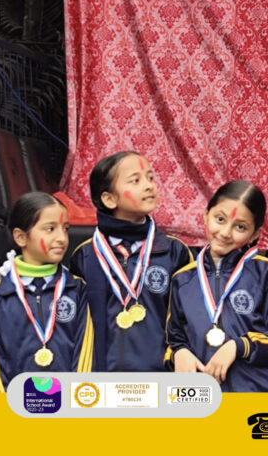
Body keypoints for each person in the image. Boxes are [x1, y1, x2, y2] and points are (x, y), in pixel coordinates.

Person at [69, 151, 193, 371]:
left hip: (159, 378)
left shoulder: (175, 252)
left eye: (150, 178)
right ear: (109, 199)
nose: (149, 186)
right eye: (135, 180)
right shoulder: (86, 256)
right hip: (99, 381)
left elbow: (188, 319)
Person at [166, 180, 268, 391]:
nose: (225, 232)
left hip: (255, 396)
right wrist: (178, 353)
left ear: (255, 234)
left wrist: (239, 346)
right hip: (202, 397)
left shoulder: (266, 272)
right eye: (220, 219)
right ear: (206, 215)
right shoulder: (183, 279)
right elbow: (173, 338)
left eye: (240, 227)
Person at [0, 193, 93, 391]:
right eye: (50, 229)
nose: (62, 238)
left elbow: (86, 355)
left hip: (67, 404)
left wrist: (74, 400)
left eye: (65, 229)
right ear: (21, 237)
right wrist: (3, 407)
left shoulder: (77, 290)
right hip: (13, 406)